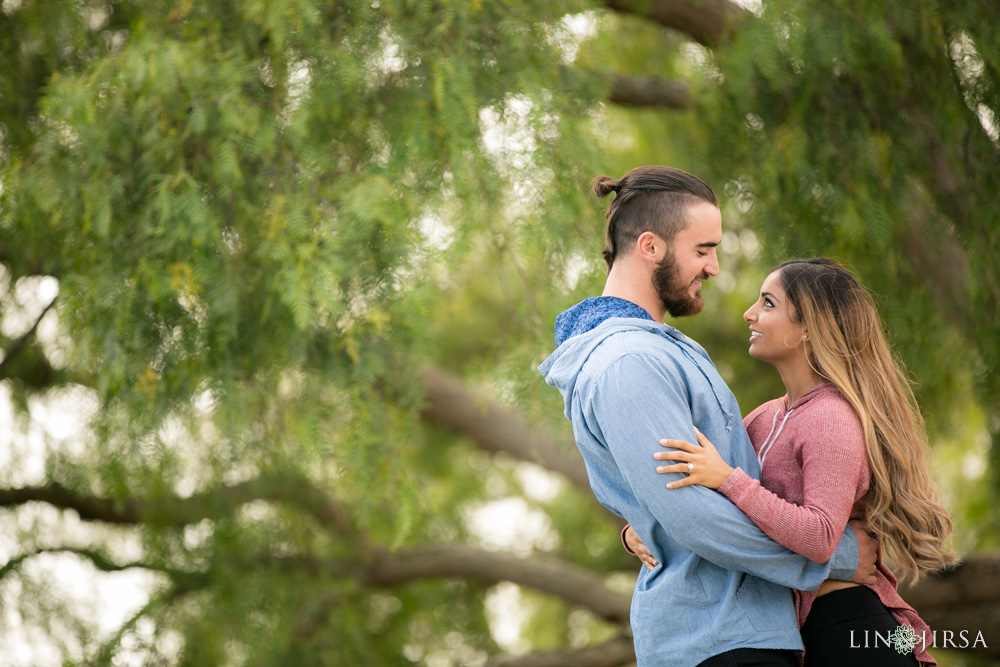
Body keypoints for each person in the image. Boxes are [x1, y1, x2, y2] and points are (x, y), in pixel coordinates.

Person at [538, 166, 878, 667]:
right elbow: (695, 516)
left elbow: (685, 501)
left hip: (744, 632)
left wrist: (644, 527)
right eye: (703, 250)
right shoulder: (630, 362)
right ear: (650, 246)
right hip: (717, 641)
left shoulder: (657, 350)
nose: (714, 268)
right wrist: (838, 557)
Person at [624, 258, 956, 666]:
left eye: (767, 303)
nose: (749, 313)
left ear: (809, 328)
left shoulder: (832, 418)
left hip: (856, 630)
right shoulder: (763, 418)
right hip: (802, 632)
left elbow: (818, 536)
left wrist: (729, 479)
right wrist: (640, 529)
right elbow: (715, 508)